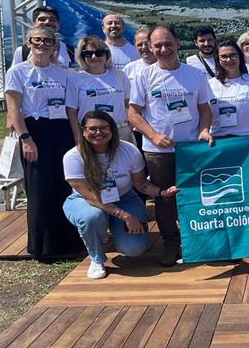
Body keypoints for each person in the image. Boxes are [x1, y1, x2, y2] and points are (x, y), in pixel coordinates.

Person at [128, 25, 215, 267]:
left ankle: (198, 242)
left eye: (168, 44)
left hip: (191, 149)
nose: (163, 49)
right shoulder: (143, 76)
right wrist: (153, 135)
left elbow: (204, 109)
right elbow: (133, 113)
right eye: (157, 45)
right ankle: (171, 244)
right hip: (158, 151)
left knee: (197, 196)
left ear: (177, 44)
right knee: (165, 199)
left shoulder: (195, 75)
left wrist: (204, 129)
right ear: (150, 48)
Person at [62, 111, 178, 279]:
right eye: (92, 129)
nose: (98, 132)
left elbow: (140, 183)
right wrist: (125, 216)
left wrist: (161, 193)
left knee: (134, 249)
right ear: (84, 131)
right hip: (87, 201)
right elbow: (90, 197)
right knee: (92, 217)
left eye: (103, 128)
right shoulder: (73, 156)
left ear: (112, 129)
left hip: (124, 197)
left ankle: (116, 232)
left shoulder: (129, 150)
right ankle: (97, 258)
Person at [4, 25, 83, 257]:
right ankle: (43, 247)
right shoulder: (18, 72)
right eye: (37, 40)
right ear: (29, 43)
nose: (42, 44)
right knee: (39, 189)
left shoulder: (63, 73)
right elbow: (13, 107)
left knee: (64, 185)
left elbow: (71, 110)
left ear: (54, 46)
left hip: (60, 130)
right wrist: (25, 138)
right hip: (35, 130)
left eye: (47, 41)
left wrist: (76, 139)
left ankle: (70, 242)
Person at [66, 36, 133, 143]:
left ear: (107, 54)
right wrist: (77, 135)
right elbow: (72, 112)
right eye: (88, 53)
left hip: (120, 131)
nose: (94, 56)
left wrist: (129, 127)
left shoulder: (120, 75)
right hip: (91, 134)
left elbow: (129, 104)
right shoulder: (75, 79)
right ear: (82, 56)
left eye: (99, 53)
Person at [208, 40, 249, 138]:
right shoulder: (209, 85)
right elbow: (203, 114)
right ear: (218, 59)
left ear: (240, 56)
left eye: (233, 55)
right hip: (218, 141)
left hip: (248, 140)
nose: (229, 59)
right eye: (224, 56)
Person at [123, 27, 157, 150]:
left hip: (161, 127)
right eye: (139, 44)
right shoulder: (128, 69)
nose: (144, 47)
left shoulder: (168, 67)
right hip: (137, 128)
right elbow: (123, 98)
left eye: (147, 43)